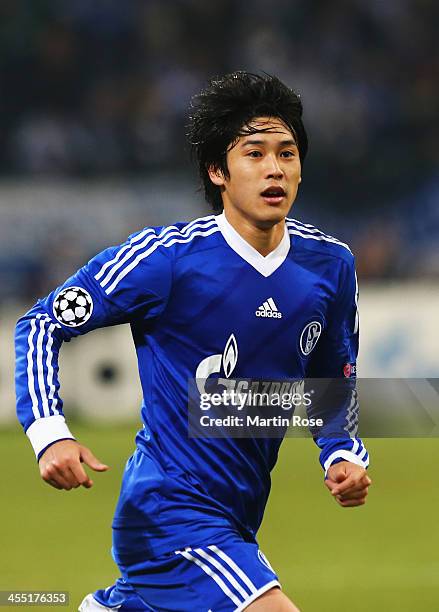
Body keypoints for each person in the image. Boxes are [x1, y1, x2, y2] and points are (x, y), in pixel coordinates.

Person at [15, 72, 372, 612]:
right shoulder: (167, 259)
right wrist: (50, 433)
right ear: (217, 171)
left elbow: (332, 372)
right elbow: (42, 324)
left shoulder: (330, 265)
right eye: (254, 153)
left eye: (288, 153)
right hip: (168, 510)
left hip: (236, 514)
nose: (275, 168)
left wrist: (340, 450)